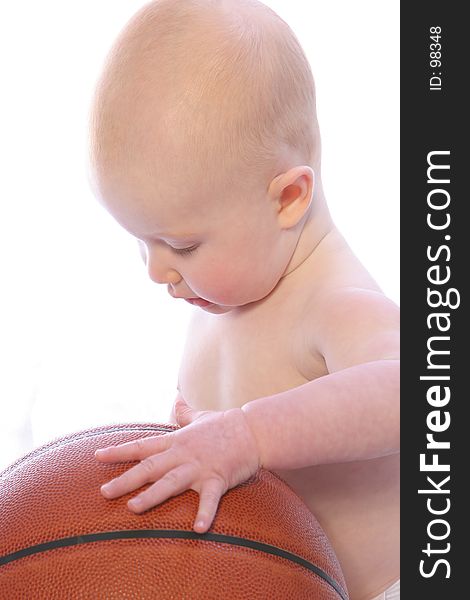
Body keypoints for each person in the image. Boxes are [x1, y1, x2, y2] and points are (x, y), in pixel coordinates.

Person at [88, 1, 400, 598]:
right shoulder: (220, 301)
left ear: (288, 198)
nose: (157, 271)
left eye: (181, 244)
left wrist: (247, 437)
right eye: (143, 243)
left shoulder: (334, 302)